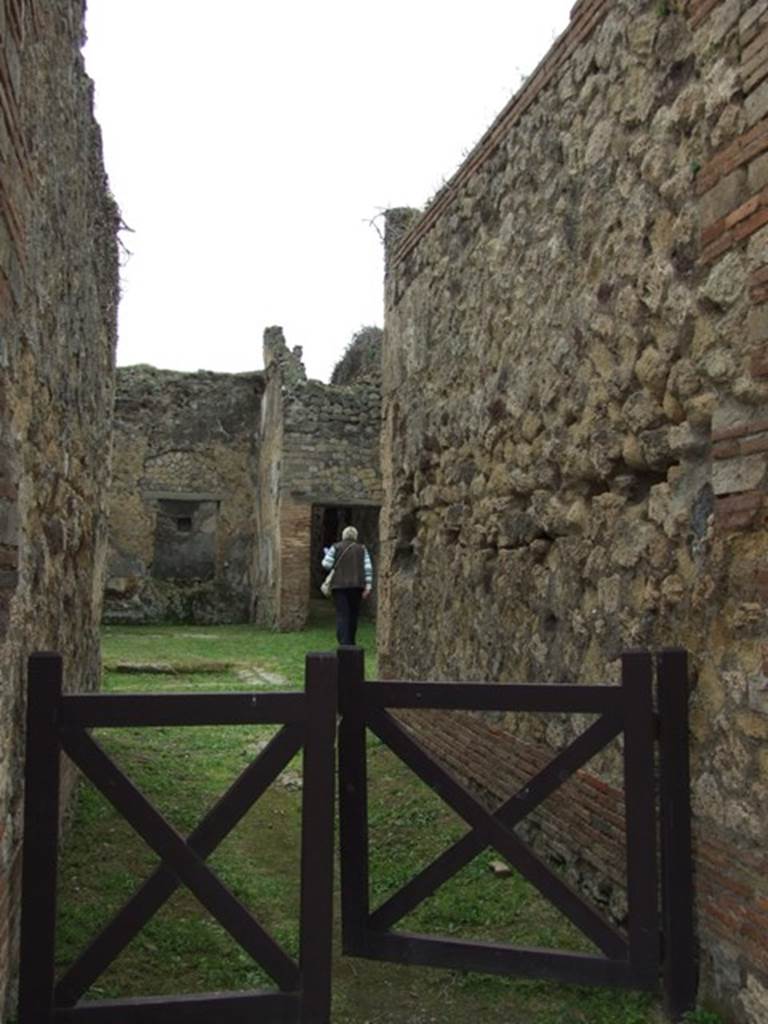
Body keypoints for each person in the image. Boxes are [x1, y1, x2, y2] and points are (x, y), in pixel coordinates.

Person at [321, 525, 373, 646]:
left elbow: (326, 564)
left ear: (343, 536)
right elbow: (368, 568)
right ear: (355, 536)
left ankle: (343, 642)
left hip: (339, 586)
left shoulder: (335, 547)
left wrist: (328, 555)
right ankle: (351, 641)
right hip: (357, 586)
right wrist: (368, 586)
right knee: (353, 614)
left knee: (342, 614)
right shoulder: (362, 549)